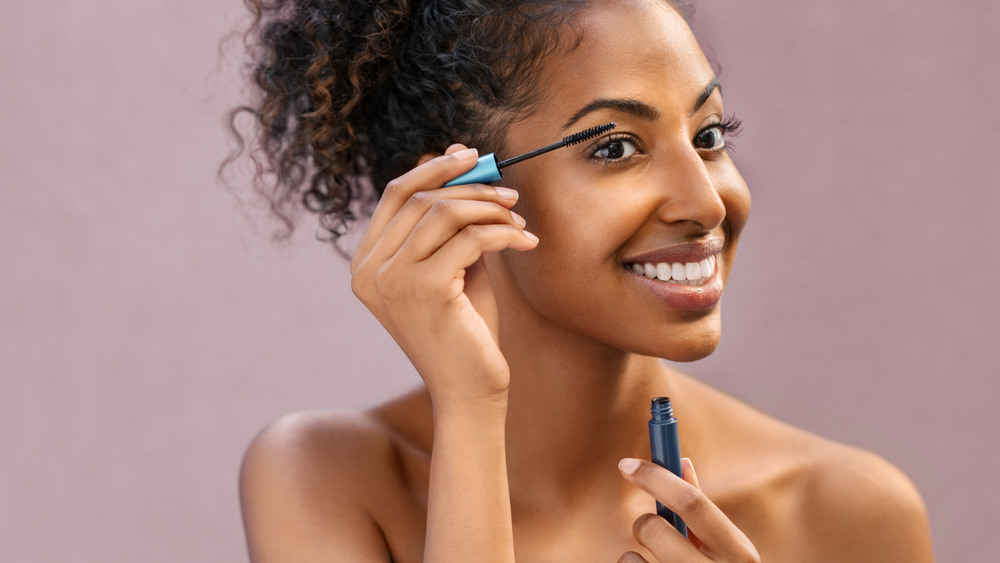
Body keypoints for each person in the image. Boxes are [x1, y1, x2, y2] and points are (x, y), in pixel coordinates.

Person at [231, 0, 935, 560]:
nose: (706, 202)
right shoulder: (328, 481)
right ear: (455, 187)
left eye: (709, 136)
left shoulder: (847, 514)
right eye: (616, 146)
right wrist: (471, 403)